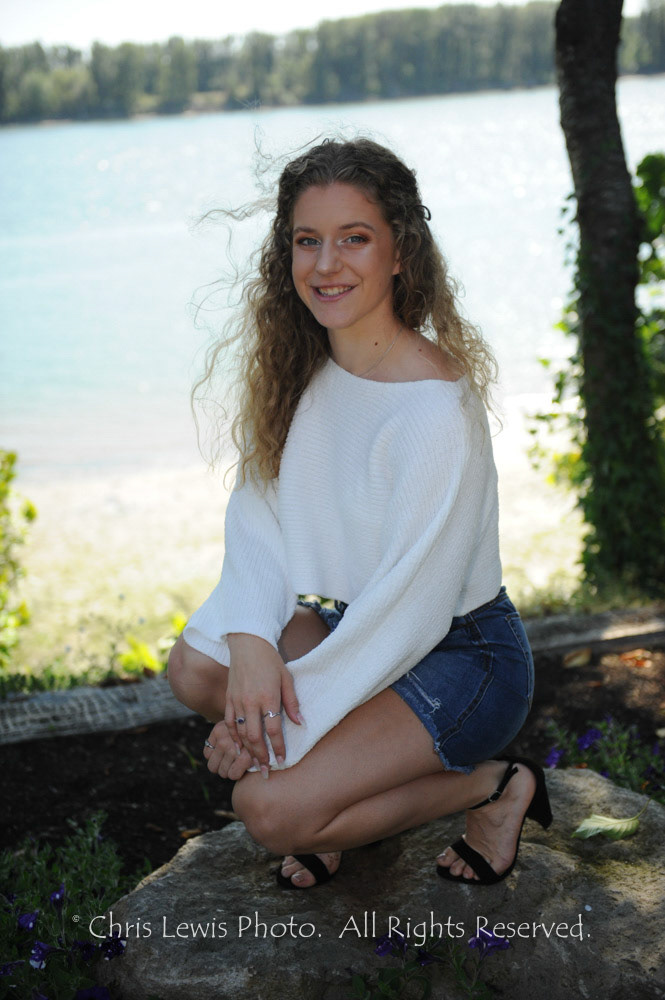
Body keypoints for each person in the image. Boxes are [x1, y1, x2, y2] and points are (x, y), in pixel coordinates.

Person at [167, 137, 552, 890]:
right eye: (306, 240)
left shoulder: (433, 410)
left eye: (354, 239)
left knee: (268, 809)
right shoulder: (301, 369)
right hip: (352, 626)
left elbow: (407, 618)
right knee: (199, 667)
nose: (325, 264)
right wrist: (252, 644)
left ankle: (495, 787)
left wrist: (265, 734)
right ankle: (337, 788)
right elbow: (259, 513)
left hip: (456, 655)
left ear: (399, 251)